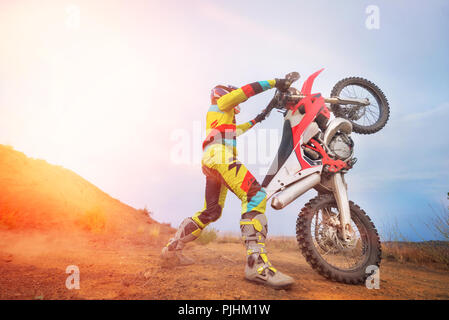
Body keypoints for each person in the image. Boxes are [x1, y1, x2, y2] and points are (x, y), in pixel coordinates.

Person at [161, 77, 295, 289]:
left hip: (211, 159)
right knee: (255, 195)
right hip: (219, 157)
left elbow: (241, 128)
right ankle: (256, 265)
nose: (238, 105)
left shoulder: (222, 119)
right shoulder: (220, 104)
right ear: (222, 94)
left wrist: (261, 116)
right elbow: (245, 92)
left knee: (212, 211)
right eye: (233, 98)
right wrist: (275, 82)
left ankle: (171, 249)